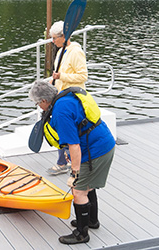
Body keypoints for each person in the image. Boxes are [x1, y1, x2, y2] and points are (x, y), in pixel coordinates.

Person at [29, 80, 115, 245]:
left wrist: (75, 173)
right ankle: (91, 221)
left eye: (37, 103)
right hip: (103, 143)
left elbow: (74, 144)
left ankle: (81, 234)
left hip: (95, 151)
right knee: (87, 186)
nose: (39, 107)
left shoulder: (60, 112)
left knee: (78, 191)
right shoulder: (64, 99)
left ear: (44, 101)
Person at [46, 20, 88, 176]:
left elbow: (83, 76)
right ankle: (65, 160)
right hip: (61, 96)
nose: (52, 41)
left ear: (63, 37)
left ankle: (64, 162)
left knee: (67, 130)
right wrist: (53, 82)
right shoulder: (60, 51)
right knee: (59, 128)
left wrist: (62, 76)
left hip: (72, 98)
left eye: (55, 38)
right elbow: (59, 75)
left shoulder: (75, 52)